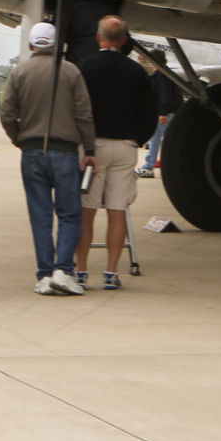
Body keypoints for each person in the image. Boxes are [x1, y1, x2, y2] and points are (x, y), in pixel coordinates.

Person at [0, 22, 96, 297]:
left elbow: (7, 114)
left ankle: (44, 274)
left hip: (31, 152)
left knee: (40, 216)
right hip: (64, 152)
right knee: (69, 213)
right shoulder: (70, 71)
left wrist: (20, 139)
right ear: (56, 45)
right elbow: (84, 114)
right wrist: (89, 150)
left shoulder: (19, 72)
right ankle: (63, 271)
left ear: (31, 45)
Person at [75, 16, 156, 290]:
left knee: (87, 211)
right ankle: (111, 272)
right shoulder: (137, 72)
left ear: (98, 38)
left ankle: (82, 270)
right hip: (124, 146)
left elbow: (76, 107)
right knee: (117, 210)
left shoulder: (84, 67)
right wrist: (137, 139)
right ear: (123, 40)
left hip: (92, 147)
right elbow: (149, 114)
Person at [135, 54, 181, 179]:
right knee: (168, 142)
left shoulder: (161, 76)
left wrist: (162, 113)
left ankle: (148, 167)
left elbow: (165, 96)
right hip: (171, 112)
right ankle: (172, 167)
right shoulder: (169, 73)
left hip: (163, 114)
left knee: (155, 140)